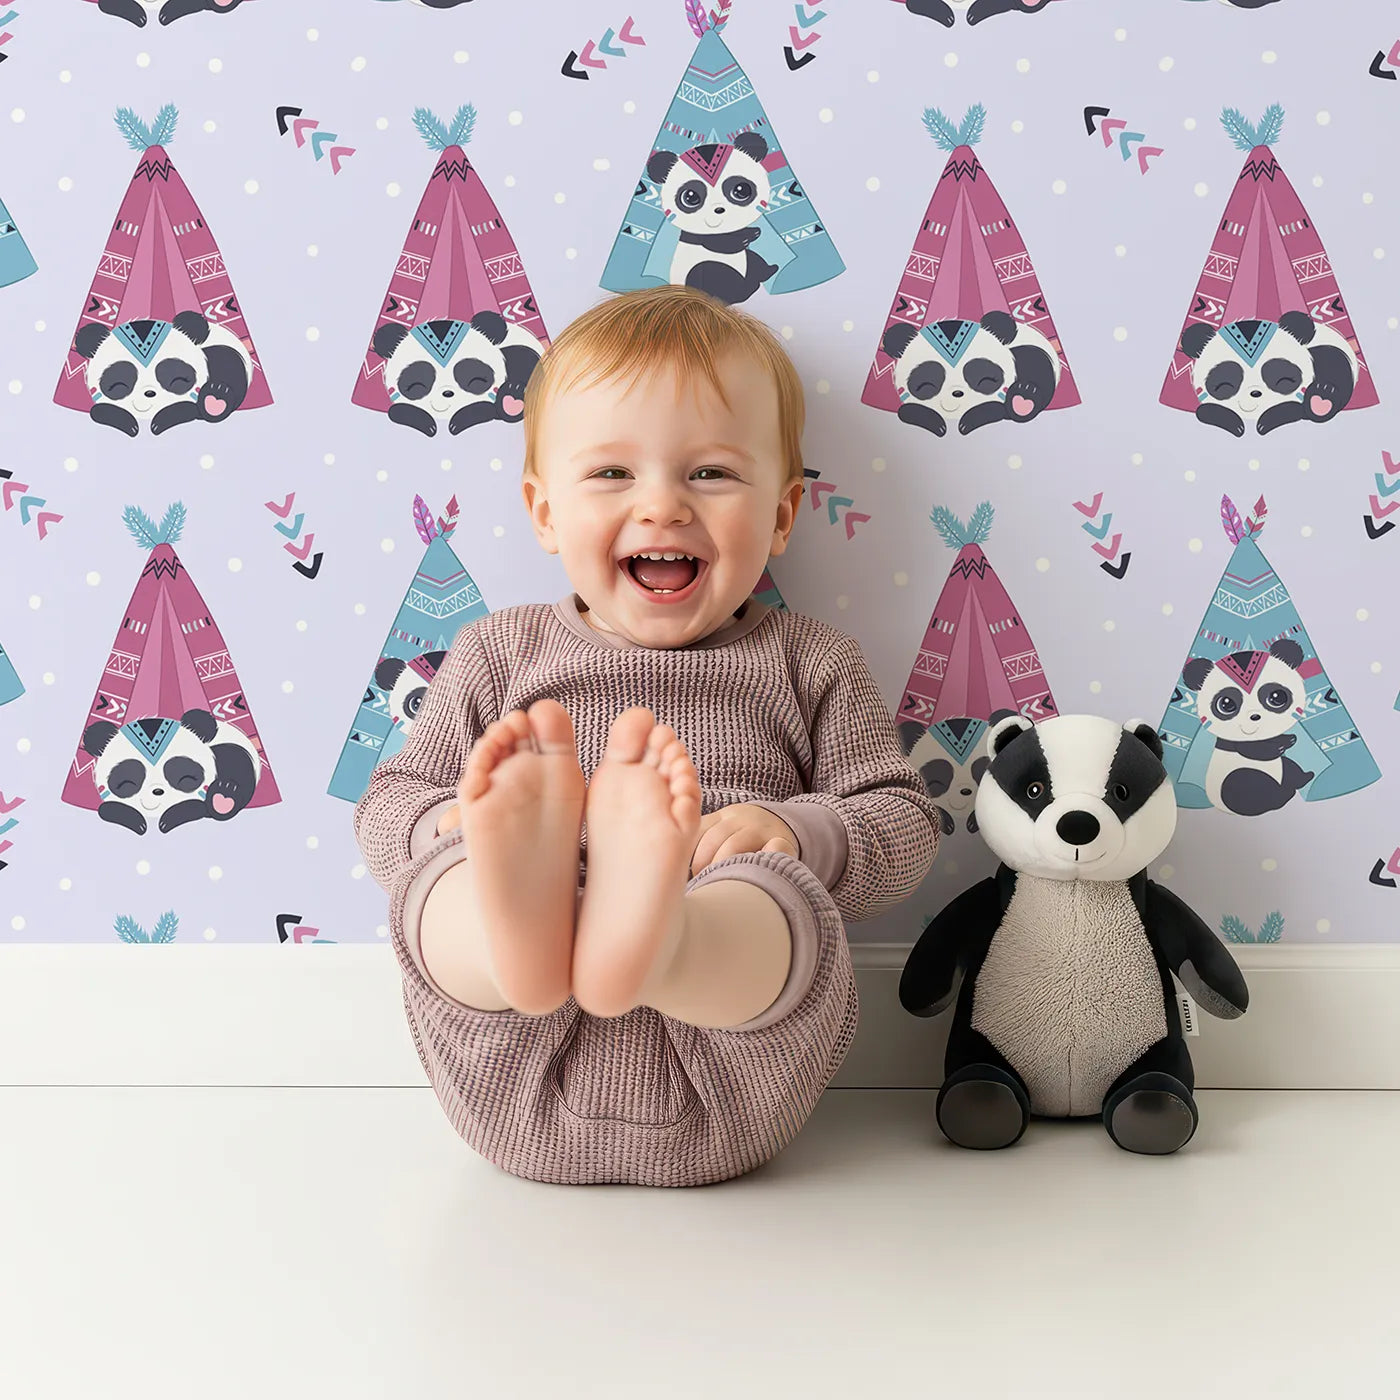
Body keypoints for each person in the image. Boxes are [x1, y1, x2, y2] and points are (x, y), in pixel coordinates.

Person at [353, 284, 942, 1187]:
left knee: (768, 891)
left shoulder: (808, 662)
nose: (662, 506)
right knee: (443, 875)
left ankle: (660, 939)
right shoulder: (499, 654)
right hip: (511, 1065)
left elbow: (901, 827)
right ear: (544, 512)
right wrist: (452, 830)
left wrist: (795, 834)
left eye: (709, 473)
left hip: (735, 1068)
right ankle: (519, 930)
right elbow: (387, 805)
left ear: (782, 515)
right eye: (611, 473)